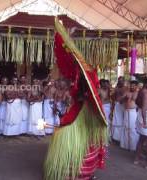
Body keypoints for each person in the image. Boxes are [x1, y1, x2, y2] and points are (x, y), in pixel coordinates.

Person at [44, 19, 107, 180]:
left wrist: (68, 39)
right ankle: (66, 172)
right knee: (66, 139)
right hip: (75, 114)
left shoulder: (91, 80)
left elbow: (76, 59)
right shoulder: (77, 77)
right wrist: (68, 39)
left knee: (82, 145)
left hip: (84, 117)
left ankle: (79, 173)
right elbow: (72, 58)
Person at [120, 80, 139, 151]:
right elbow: (120, 101)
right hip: (126, 111)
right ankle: (126, 145)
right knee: (126, 127)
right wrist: (125, 97)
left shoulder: (138, 93)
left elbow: (140, 103)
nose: (132, 86)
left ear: (136, 86)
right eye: (131, 85)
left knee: (132, 128)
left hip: (133, 112)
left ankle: (133, 146)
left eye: (133, 85)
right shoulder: (127, 92)